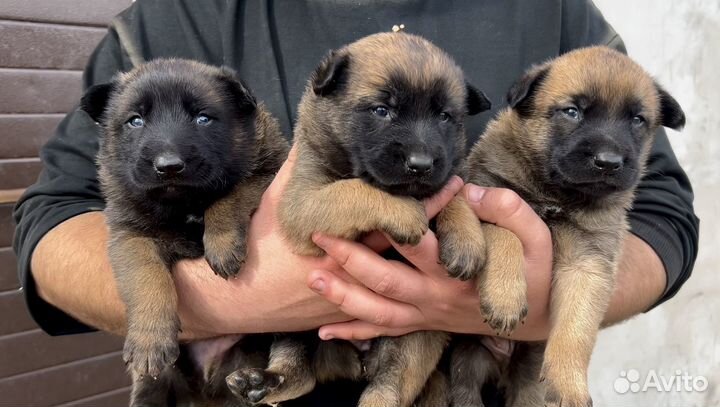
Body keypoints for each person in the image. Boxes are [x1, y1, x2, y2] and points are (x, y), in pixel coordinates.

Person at [13, 0, 699, 405]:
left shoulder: (557, 13)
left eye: (448, 119)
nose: (426, 152)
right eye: (382, 111)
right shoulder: (179, 14)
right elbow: (52, 222)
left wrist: (545, 298)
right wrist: (239, 300)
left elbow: (664, 217)